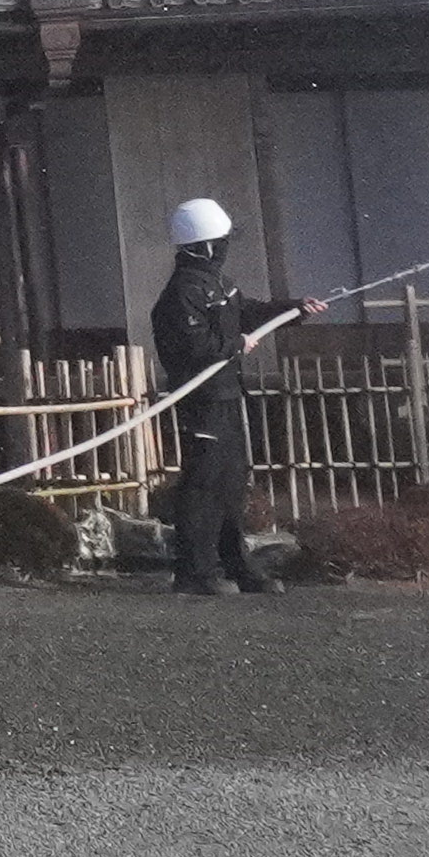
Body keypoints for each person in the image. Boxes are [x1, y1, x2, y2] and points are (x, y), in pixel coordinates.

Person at [150, 198, 289, 597]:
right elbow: (194, 346)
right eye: (221, 241)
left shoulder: (220, 285)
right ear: (204, 246)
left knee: (231, 483)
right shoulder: (182, 293)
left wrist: (294, 310)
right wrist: (235, 345)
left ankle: (236, 565)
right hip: (202, 399)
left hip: (228, 394)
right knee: (203, 483)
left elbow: (247, 312)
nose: (225, 248)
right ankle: (194, 571)